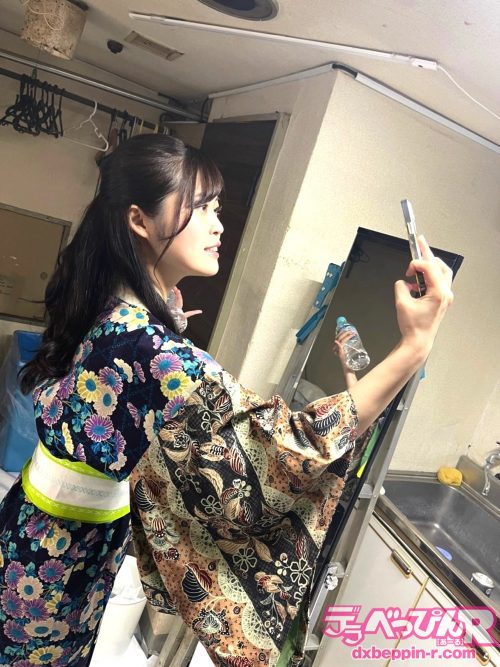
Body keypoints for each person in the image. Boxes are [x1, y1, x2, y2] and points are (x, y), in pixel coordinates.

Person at [2, 133, 453, 667]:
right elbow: (287, 455)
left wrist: (165, 317)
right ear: (139, 220)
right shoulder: (150, 350)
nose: (218, 225)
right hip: (55, 563)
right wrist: (413, 347)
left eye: (217, 208)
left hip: (43, 536)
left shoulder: (109, 302)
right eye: (199, 208)